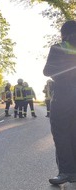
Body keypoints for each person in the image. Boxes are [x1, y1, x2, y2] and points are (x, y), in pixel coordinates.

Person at [43, 20, 76, 185]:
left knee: (61, 133)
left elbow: (47, 71)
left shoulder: (59, 47)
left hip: (63, 96)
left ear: (64, 33)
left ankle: (66, 172)